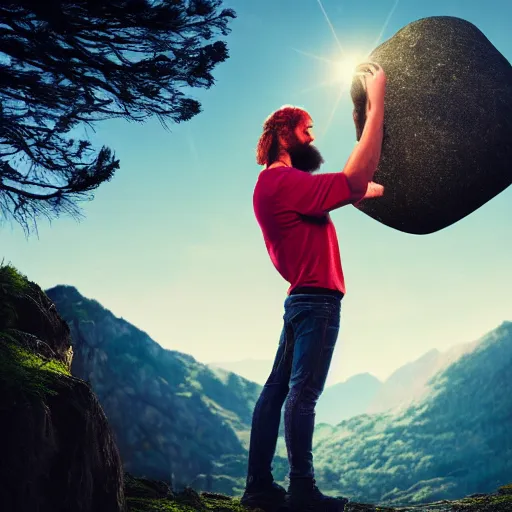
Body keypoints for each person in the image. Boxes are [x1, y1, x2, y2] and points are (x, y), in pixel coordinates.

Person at [240, 63, 387, 512]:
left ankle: (258, 489)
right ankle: (301, 491)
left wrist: (367, 185)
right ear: (285, 135)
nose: (312, 138)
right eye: (307, 130)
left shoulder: (277, 186)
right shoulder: (283, 182)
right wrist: (377, 101)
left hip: (300, 302)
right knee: (304, 394)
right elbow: (354, 182)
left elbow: (358, 189)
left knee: (276, 390)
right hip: (317, 302)